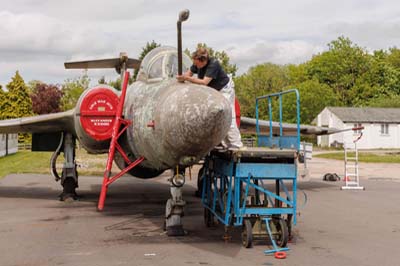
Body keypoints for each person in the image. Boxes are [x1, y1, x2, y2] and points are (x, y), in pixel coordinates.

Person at [177, 47, 243, 150]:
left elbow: (204, 82)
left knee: (228, 115)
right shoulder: (196, 63)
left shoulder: (213, 64)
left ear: (203, 61)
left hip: (225, 90)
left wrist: (187, 79)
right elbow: (188, 74)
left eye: (197, 63)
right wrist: (181, 79)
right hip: (213, 90)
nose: (196, 65)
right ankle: (225, 144)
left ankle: (236, 145)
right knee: (216, 116)